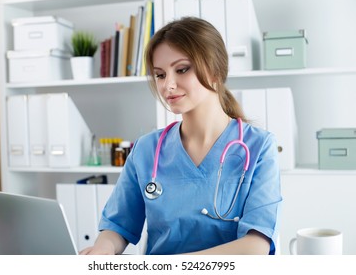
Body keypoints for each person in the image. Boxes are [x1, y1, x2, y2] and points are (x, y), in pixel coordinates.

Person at [80, 17, 282, 255]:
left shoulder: (259, 147)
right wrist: (103, 249)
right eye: (160, 75)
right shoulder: (146, 150)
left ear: (215, 71)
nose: (168, 86)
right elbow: (117, 225)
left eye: (182, 69)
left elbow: (256, 246)